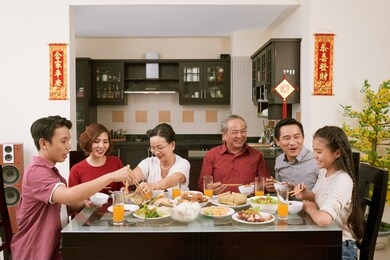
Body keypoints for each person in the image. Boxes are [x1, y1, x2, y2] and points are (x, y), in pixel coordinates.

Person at [10, 115, 132, 260]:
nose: (69, 146)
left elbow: (60, 207)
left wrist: (82, 203)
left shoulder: (51, 172)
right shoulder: (36, 172)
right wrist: (111, 176)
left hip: (55, 246)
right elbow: (68, 196)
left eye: (68, 140)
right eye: (64, 141)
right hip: (35, 250)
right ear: (43, 143)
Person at [293, 126, 364, 260]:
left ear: (337, 153)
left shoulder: (342, 180)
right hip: (326, 241)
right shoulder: (325, 171)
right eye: (314, 150)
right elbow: (318, 196)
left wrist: (311, 210)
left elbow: (323, 219)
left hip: (341, 248)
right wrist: (305, 195)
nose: (315, 155)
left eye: (319, 151)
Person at [198, 114, 270, 195]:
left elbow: (266, 185)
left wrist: (260, 187)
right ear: (224, 135)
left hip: (249, 203)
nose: (240, 136)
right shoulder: (211, 155)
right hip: (220, 204)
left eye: (243, 131)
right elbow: (202, 186)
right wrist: (210, 190)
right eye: (234, 132)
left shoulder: (257, 155)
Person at [129, 123, 190, 196]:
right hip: (153, 207)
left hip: (179, 206)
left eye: (160, 148)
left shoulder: (183, 163)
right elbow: (134, 176)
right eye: (153, 148)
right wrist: (127, 178)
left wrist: (152, 185)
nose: (156, 152)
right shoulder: (148, 162)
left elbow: (174, 180)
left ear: (172, 145)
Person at [265, 118, 318, 192]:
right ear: (277, 141)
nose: (292, 143)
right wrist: (275, 187)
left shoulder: (317, 160)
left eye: (296, 137)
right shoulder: (279, 160)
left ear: (303, 138)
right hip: (285, 203)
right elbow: (282, 192)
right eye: (287, 138)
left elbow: (325, 195)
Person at [69, 123, 124, 195]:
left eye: (105, 142)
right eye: (96, 141)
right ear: (88, 143)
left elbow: (124, 188)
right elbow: (71, 204)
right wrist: (85, 203)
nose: (101, 146)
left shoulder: (116, 162)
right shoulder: (76, 170)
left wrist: (124, 191)